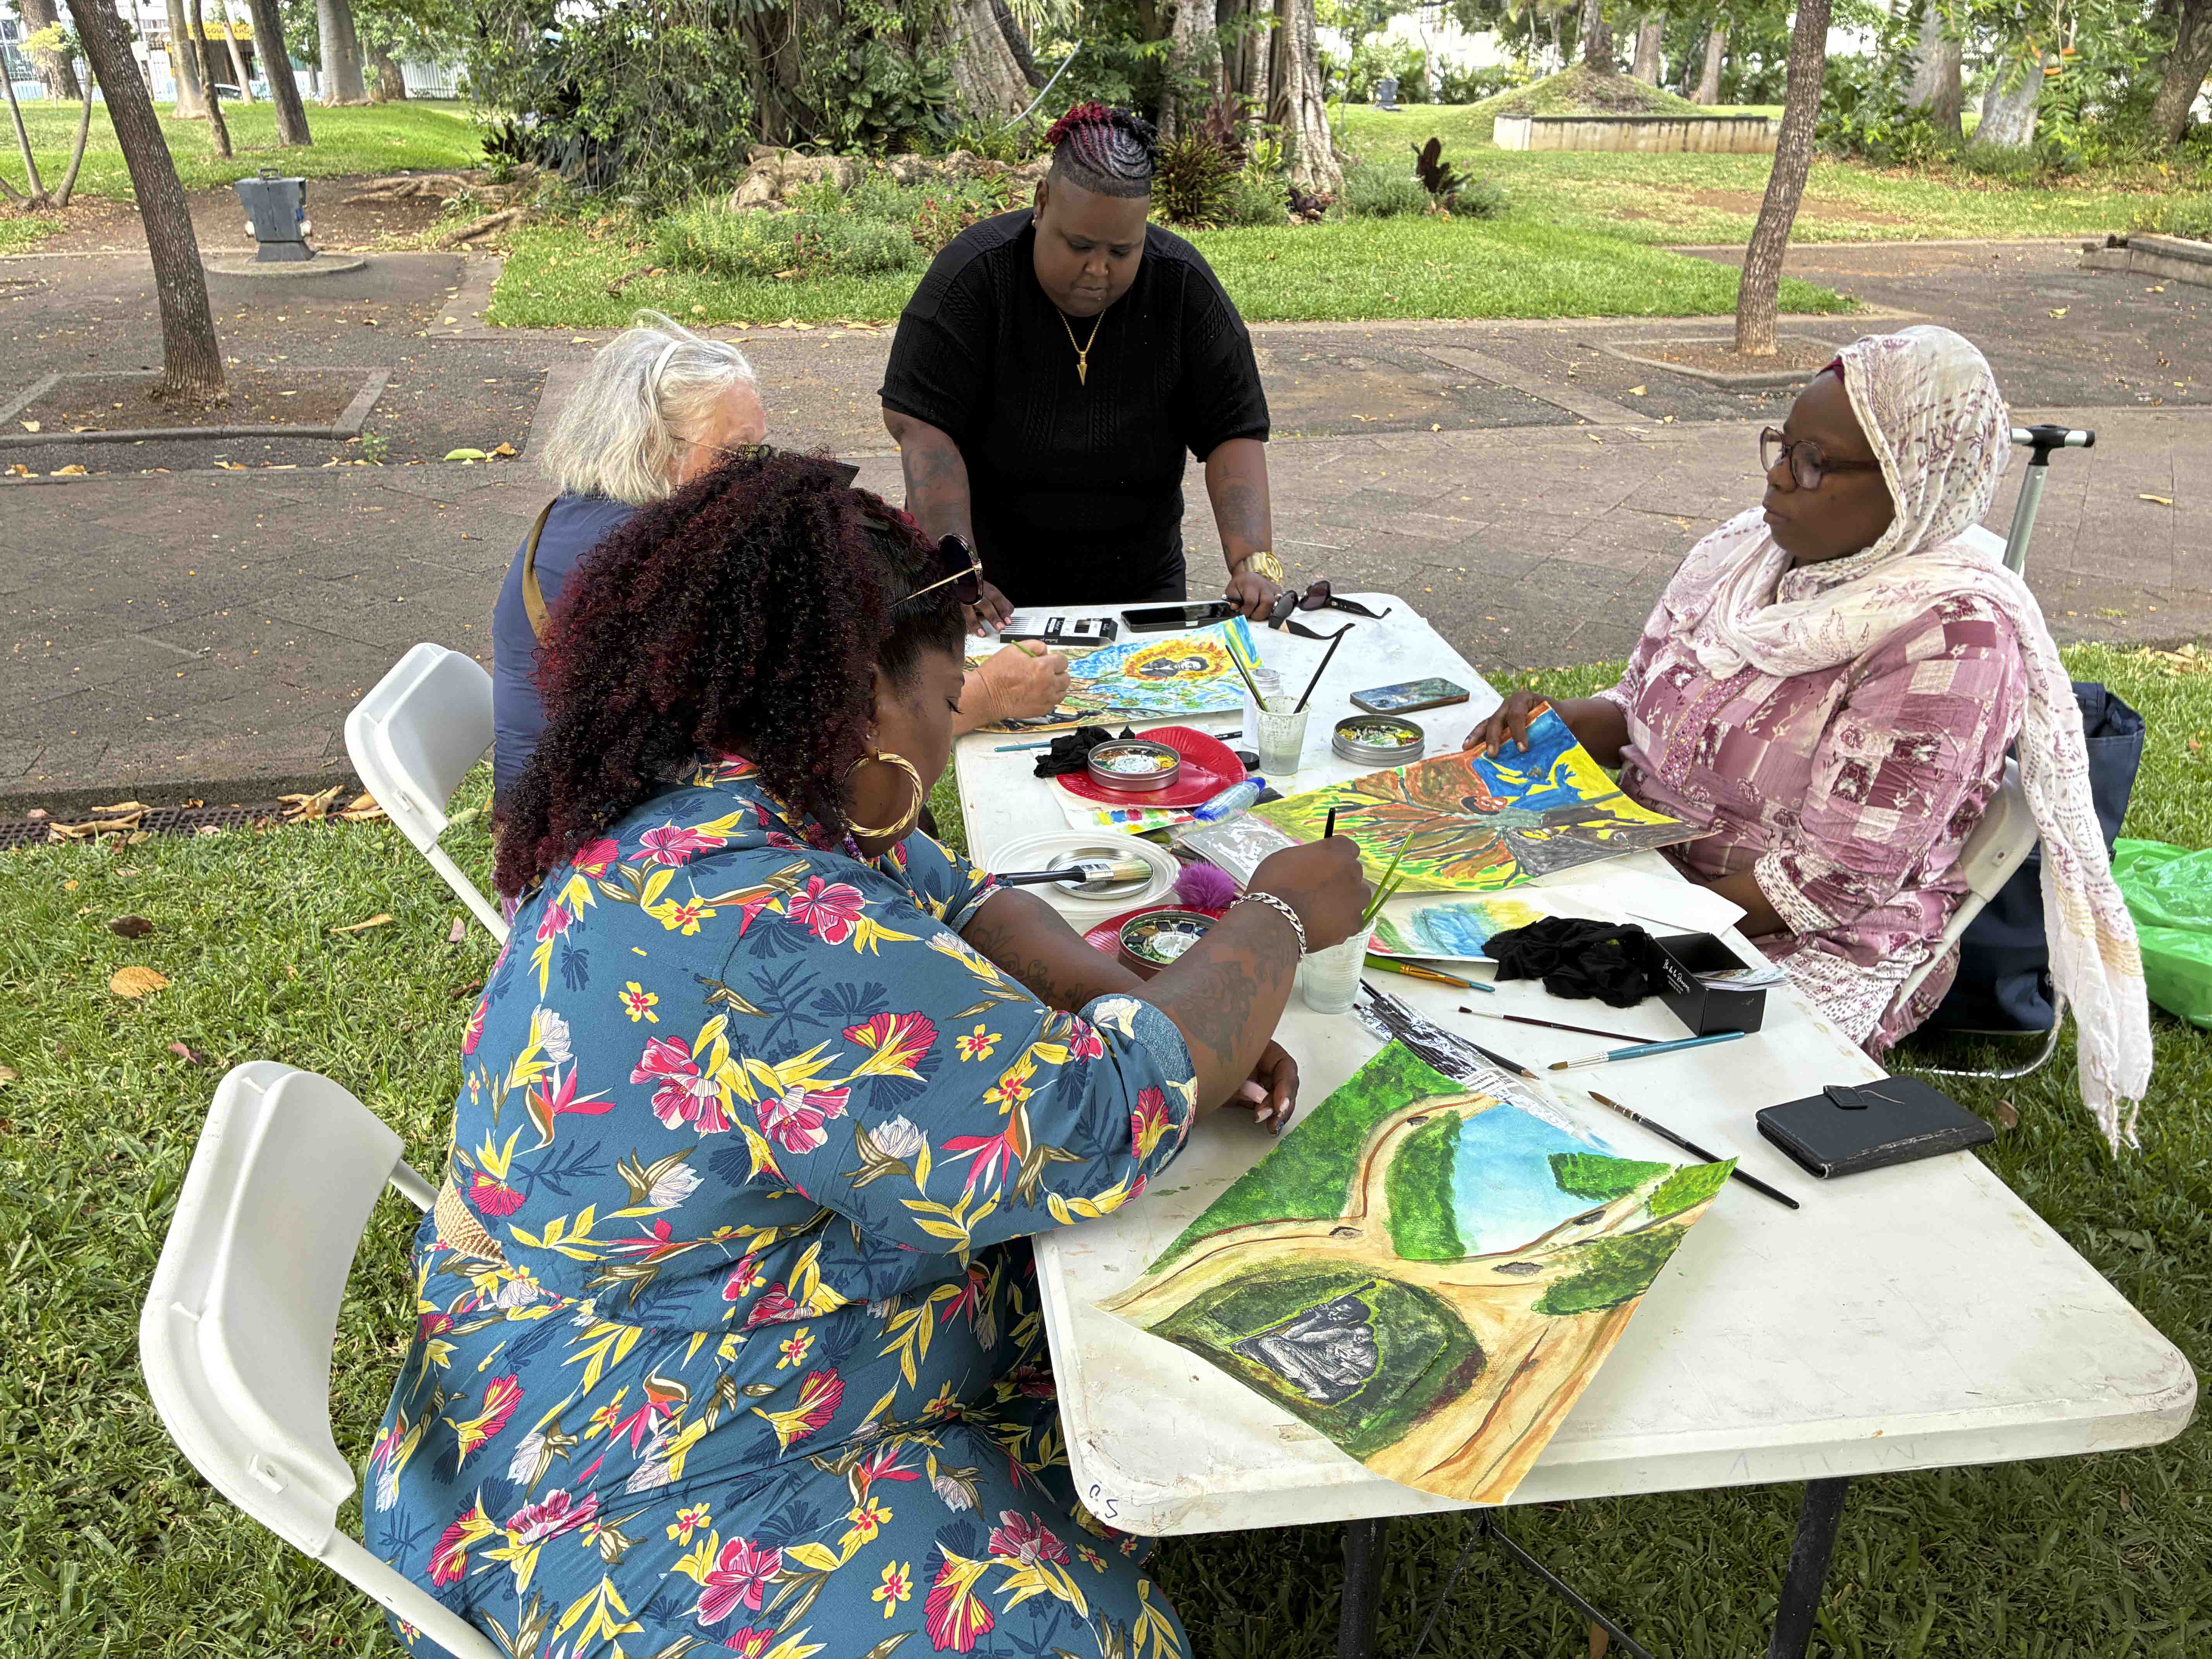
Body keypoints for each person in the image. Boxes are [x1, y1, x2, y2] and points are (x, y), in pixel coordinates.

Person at [367, 450, 1367, 1658]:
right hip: (617, 1454)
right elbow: (1096, 1114)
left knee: (1094, 1306)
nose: (951, 732)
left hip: (677, 1332)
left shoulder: (738, 781)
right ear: (864, 703)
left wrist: (1155, 999)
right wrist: (1275, 919)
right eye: (947, 700)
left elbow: (964, 902)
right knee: (1090, 1638)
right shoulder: (764, 922)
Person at [1465, 326, 2152, 1147]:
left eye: (1815, 461)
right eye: (1782, 447)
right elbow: (1646, 702)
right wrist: (1568, 721)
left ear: (1911, 481)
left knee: (1585, 1101)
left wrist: (1630, 928)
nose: (1779, 477)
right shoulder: (1743, 555)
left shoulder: (1949, 639)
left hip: (1799, 935)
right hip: (1646, 868)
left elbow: (1826, 886)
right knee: (1448, 955)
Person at [494, 313, 1067, 803]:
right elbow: (811, 753)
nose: (760, 476)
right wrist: (986, 696)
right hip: (601, 857)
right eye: (738, 454)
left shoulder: (593, 517)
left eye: (762, 452)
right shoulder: (652, 567)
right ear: (652, 447)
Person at [880, 103, 1285, 629]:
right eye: (1079, 246)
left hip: (1141, 589)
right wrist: (957, 576)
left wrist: (1252, 563)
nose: (1098, 270)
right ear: (1041, 202)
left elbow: (1232, 429)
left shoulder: (1183, 287)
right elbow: (923, 429)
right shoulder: (973, 277)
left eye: (1122, 251)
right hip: (989, 591)